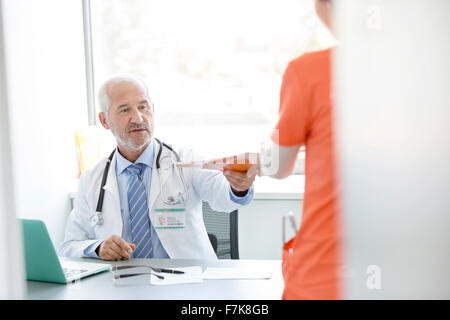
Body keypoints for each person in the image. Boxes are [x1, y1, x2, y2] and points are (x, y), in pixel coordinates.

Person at [59, 74, 256, 261]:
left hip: (185, 285)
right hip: (123, 286)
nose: (138, 118)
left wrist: (238, 187)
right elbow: (69, 246)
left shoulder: (184, 159)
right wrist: (98, 247)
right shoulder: (91, 179)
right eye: (125, 110)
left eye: (143, 107)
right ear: (104, 121)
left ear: (153, 109)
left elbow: (222, 195)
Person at [258, 0, 340, 299]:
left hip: (326, 272)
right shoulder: (429, 69)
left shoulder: (308, 71)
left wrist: (266, 151)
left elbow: (277, 167)